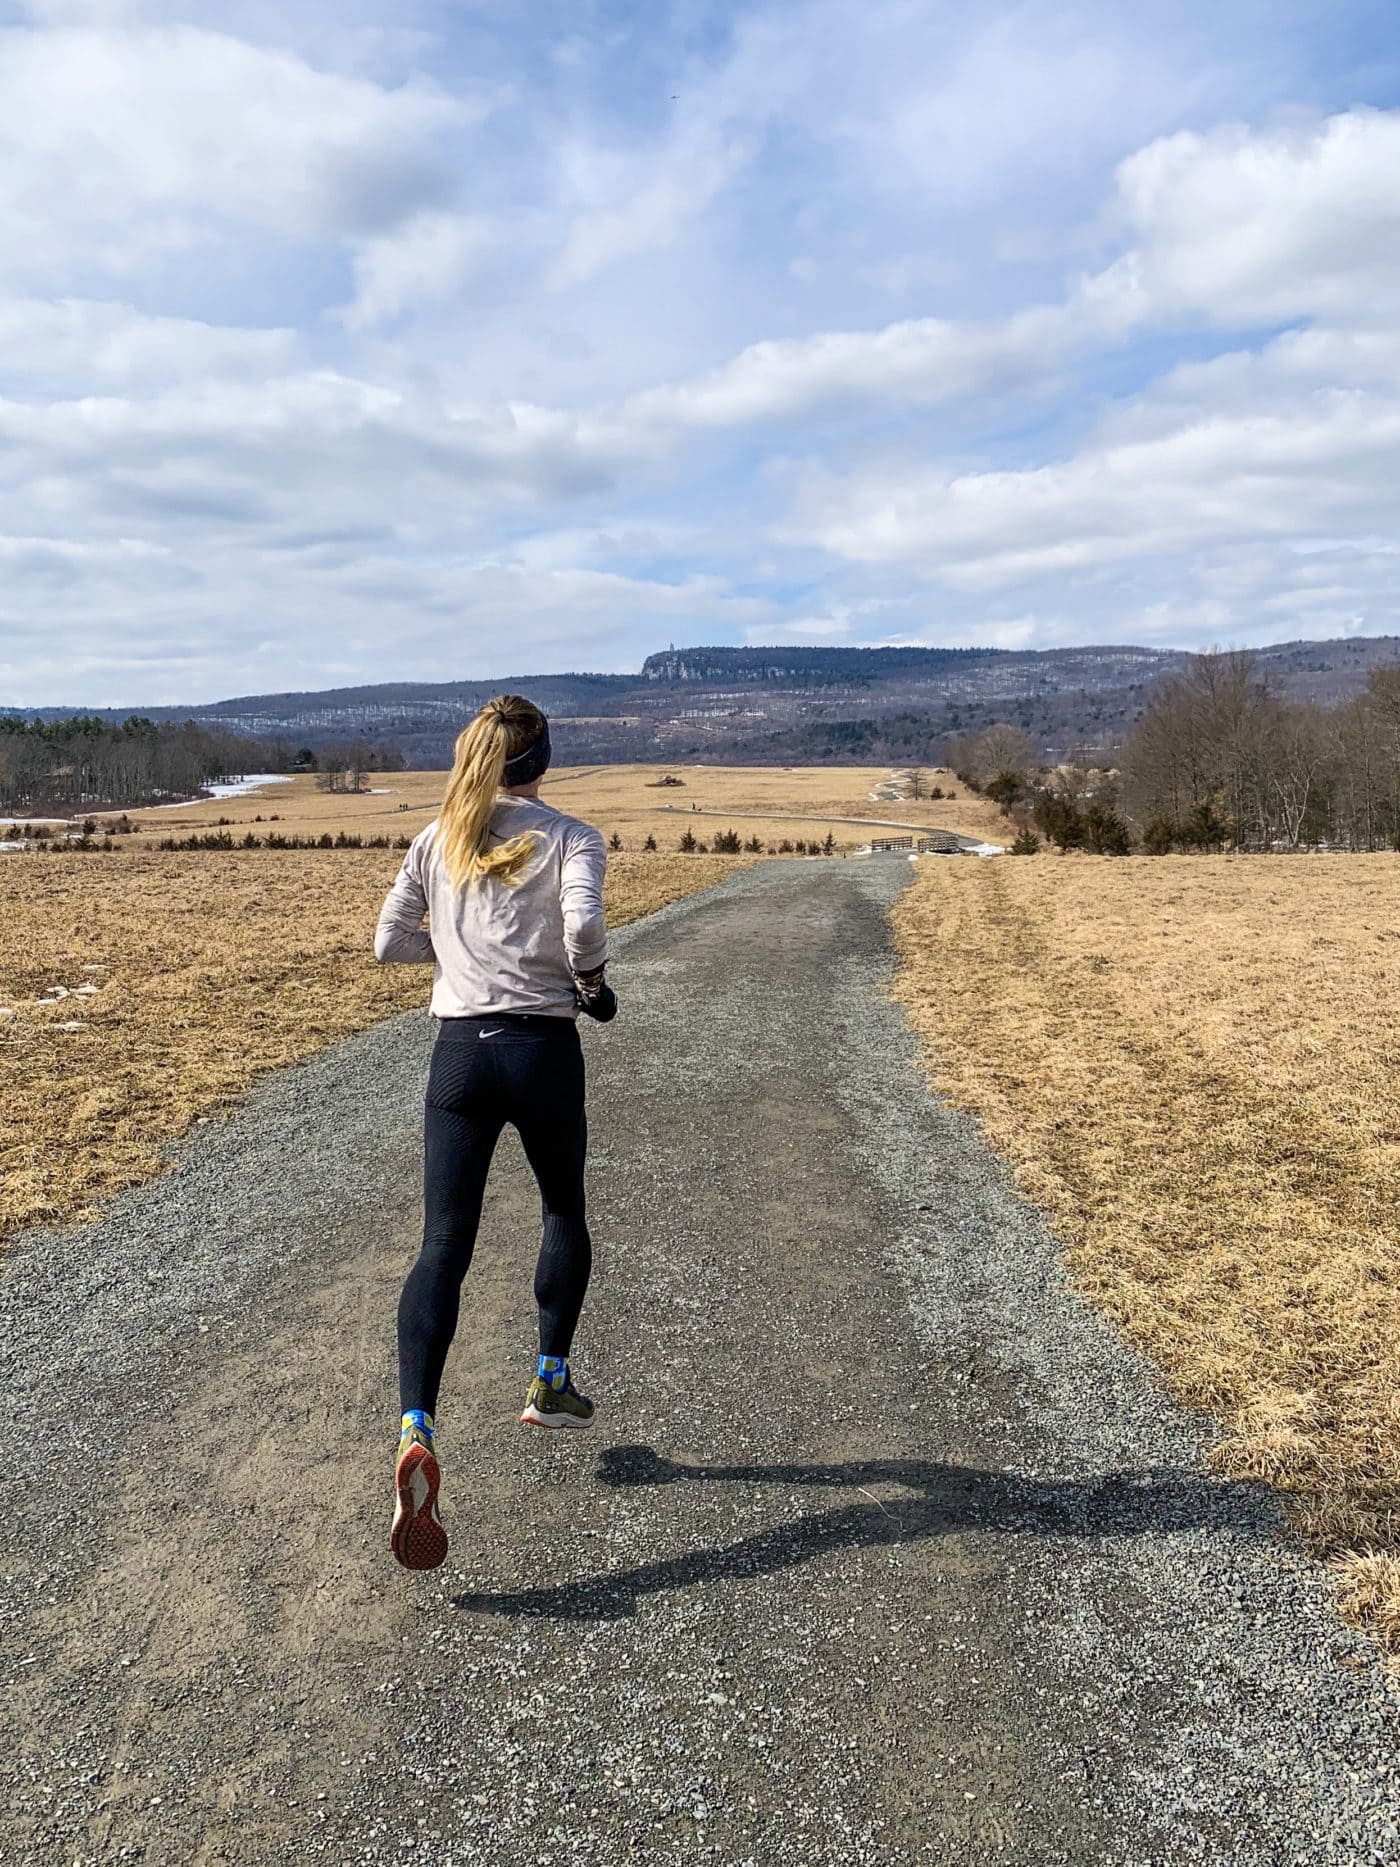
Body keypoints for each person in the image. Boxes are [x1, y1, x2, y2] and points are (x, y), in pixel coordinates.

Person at [373, 694, 616, 1571]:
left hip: (459, 1055)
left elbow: (385, 941)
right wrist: (588, 981)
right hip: (542, 1047)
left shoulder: (438, 838)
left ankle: (416, 1424)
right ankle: (550, 1379)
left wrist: (455, 958)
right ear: (543, 756)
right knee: (561, 1212)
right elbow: (583, 925)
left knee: (442, 1246)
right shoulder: (571, 836)